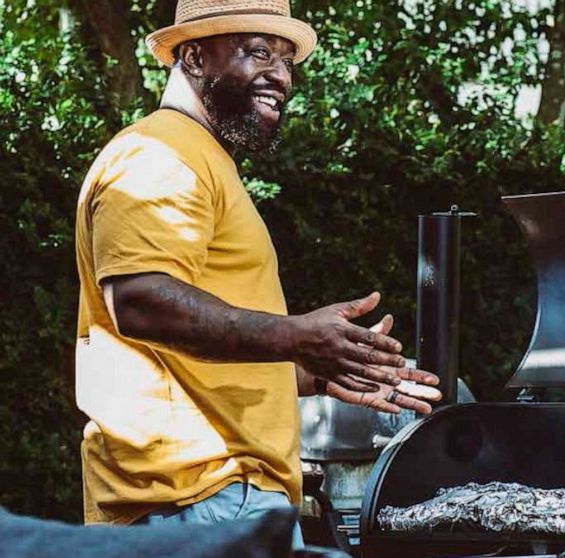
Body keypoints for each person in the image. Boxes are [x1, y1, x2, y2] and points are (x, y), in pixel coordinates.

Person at [73, 0, 441, 546]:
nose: (281, 76)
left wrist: (314, 370)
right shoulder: (160, 154)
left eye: (287, 61)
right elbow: (140, 302)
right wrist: (296, 334)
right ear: (194, 57)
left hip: (219, 501)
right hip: (194, 500)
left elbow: (193, 351)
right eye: (259, 52)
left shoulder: (200, 158)